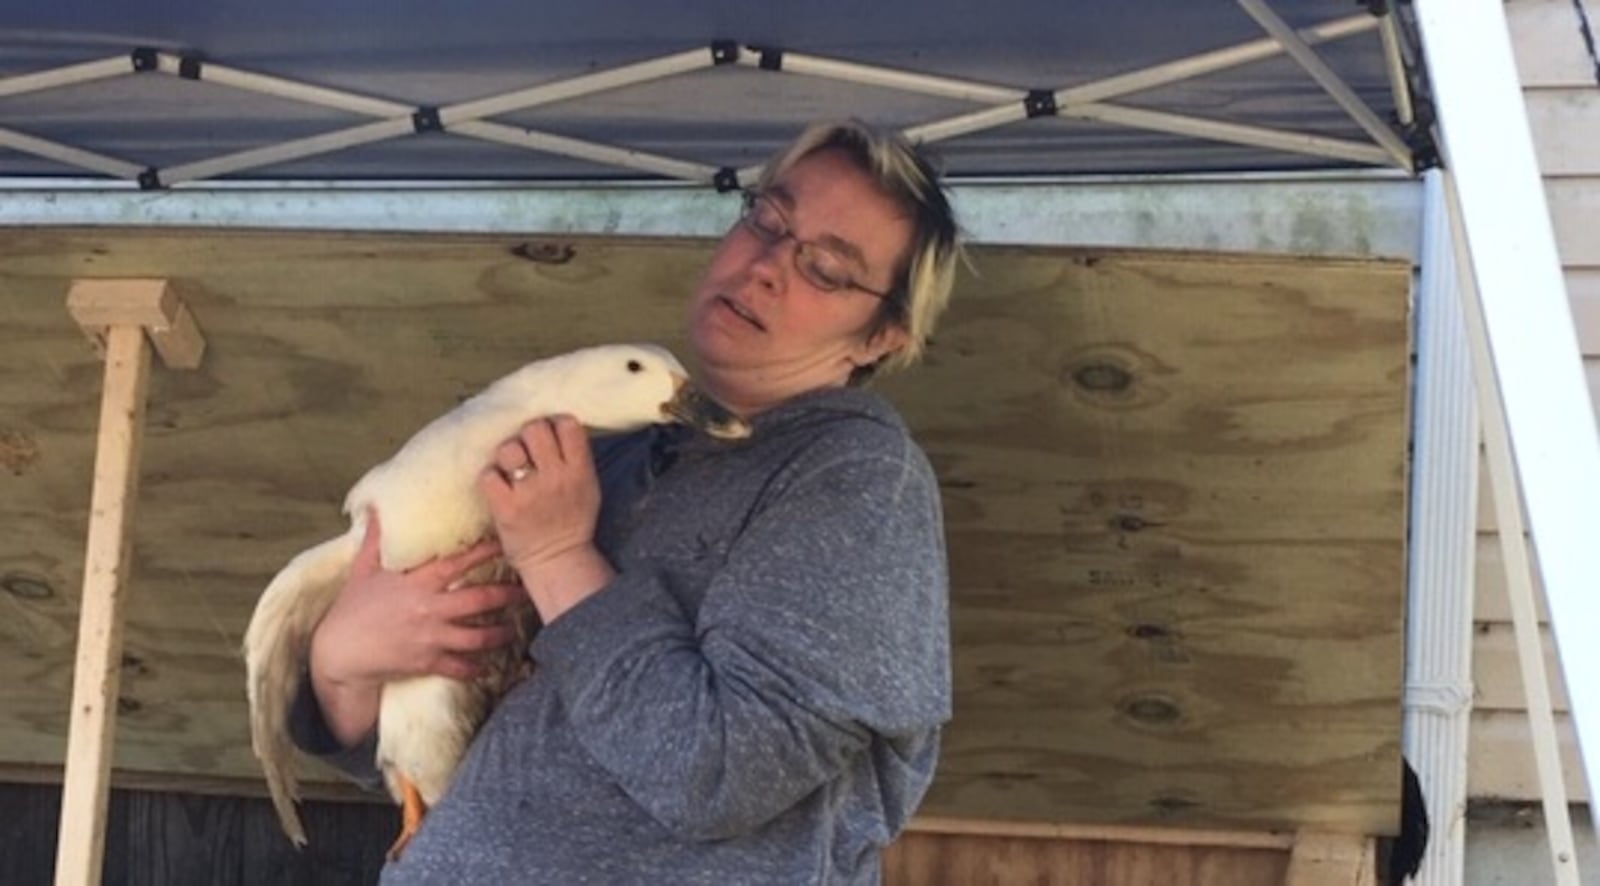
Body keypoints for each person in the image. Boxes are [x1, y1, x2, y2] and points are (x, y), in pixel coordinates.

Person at [291, 119, 963, 884]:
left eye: (828, 269)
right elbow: (454, 742)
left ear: (883, 337)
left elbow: (716, 776)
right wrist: (343, 668)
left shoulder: (856, 484)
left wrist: (557, 556)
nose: (771, 264)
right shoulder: (602, 455)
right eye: (769, 220)